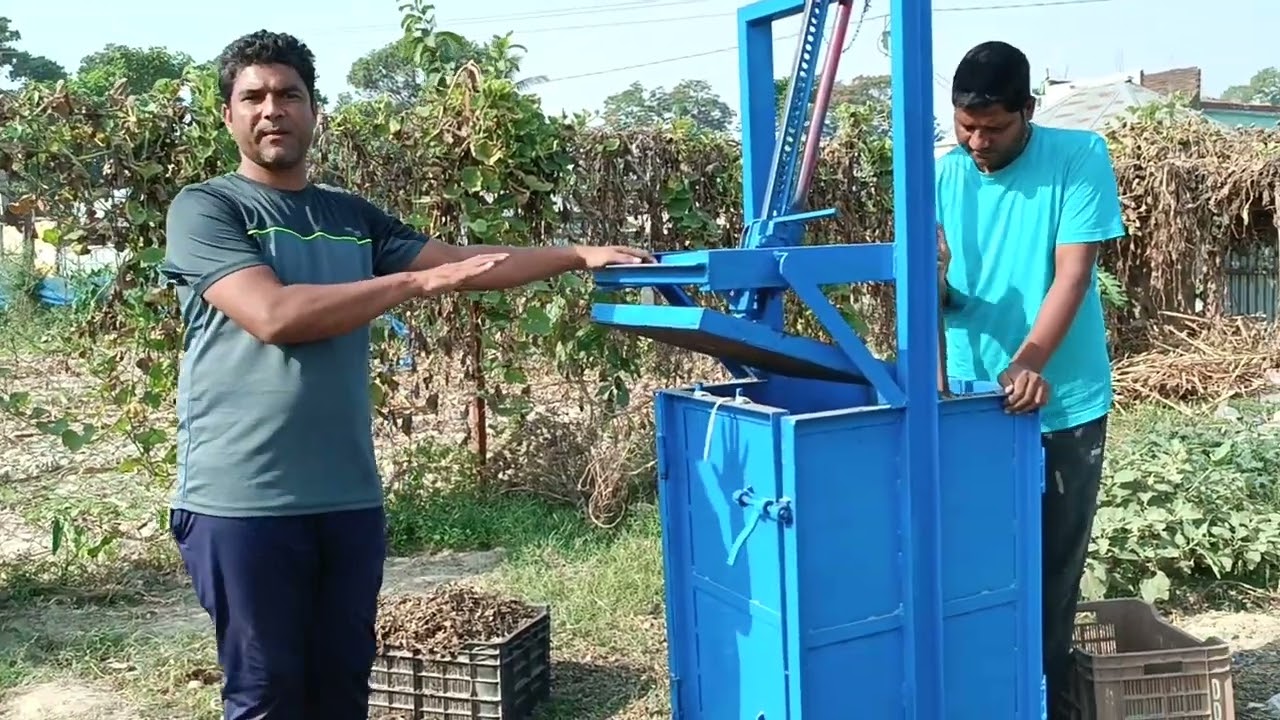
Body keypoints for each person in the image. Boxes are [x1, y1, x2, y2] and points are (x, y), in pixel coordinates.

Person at [160, 30, 651, 720]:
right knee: (267, 693)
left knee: (343, 685)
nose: (272, 110)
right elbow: (273, 315)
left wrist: (575, 254)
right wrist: (414, 285)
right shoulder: (208, 208)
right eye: (254, 97)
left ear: (314, 109)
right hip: (242, 501)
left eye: (289, 94)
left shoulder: (348, 216)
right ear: (229, 115)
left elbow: (464, 263)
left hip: (347, 497)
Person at [934, 40, 1125, 716]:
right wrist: (933, 285)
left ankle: (1039, 700)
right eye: (966, 126)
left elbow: (1073, 273)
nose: (977, 142)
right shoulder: (945, 174)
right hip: (970, 399)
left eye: (993, 128)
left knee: (1048, 572)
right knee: (972, 564)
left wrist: (1030, 361)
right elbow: (941, 296)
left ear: (1029, 111)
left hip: (1062, 400)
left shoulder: (1078, 157)